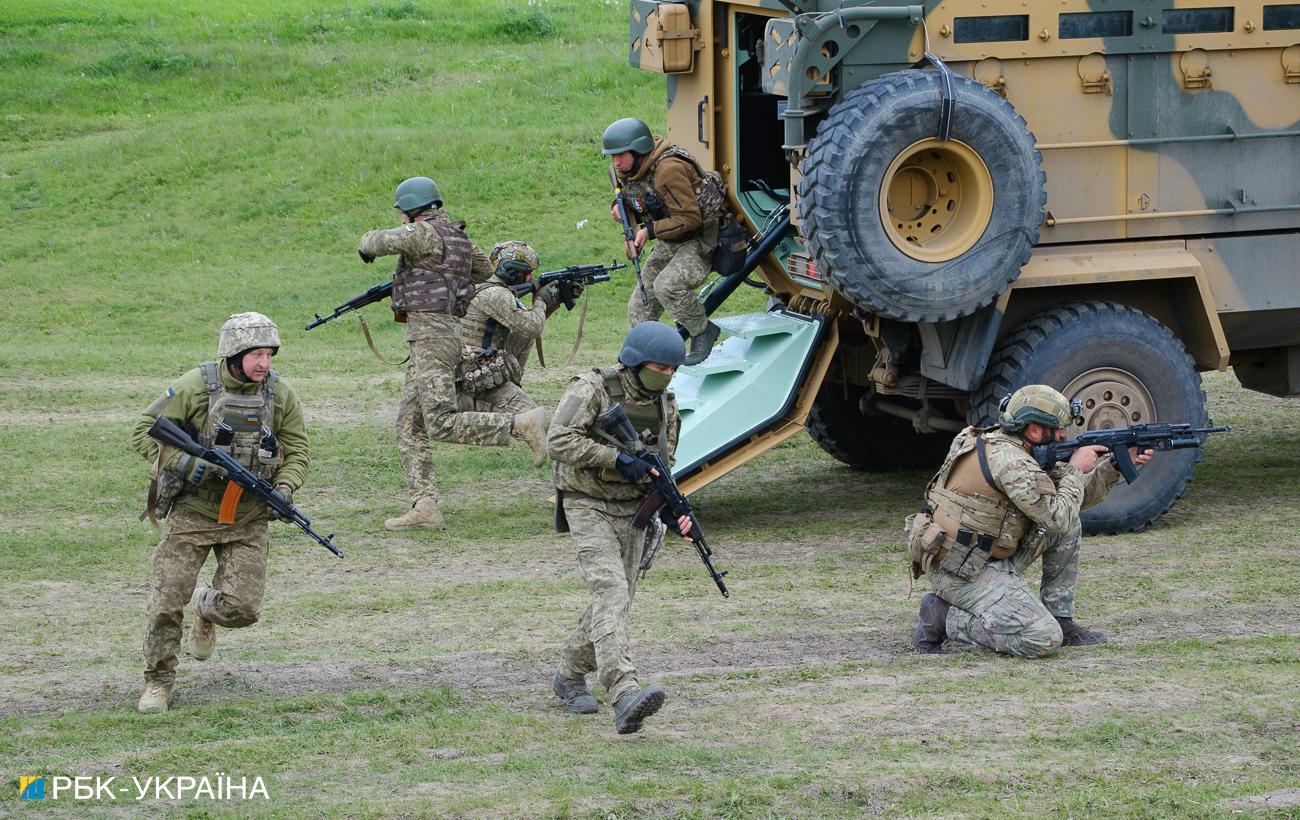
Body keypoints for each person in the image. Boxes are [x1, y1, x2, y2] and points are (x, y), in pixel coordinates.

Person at [131, 312, 309, 714]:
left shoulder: (280, 395)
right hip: (194, 512)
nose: (264, 363)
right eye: (255, 354)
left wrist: (283, 488)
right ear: (233, 353)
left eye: (269, 354)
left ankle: (204, 606)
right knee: (164, 603)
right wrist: (186, 465)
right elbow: (145, 429)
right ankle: (158, 681)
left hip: (248, 517)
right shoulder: (196, 386)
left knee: (243, 610)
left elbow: (297, 450)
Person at [358, 177, 550, 532]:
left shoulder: (421, 233)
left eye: (403, 214)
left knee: (440, 422)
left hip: (432, 337)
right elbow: (485, 272)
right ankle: (425, 505)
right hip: (439, 334)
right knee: (408, 424)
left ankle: (520, 425)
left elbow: (375, 242)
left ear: (413, 211)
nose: (402, 220)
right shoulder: (460, 239)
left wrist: (367, 247)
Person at [908, 385, 1154, 658]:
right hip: (963, 573)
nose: (1064, 435)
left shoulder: (1004, 443)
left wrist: (1113, 467)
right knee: (1043, 638)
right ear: (1034, 430)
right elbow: (1057, 516)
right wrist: (1074, 469)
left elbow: (1067, 506)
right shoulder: (1013, 464)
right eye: (1058, 428)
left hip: (980, 557)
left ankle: (1060, 616)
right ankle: (944, 616)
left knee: (1070, 525)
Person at [548, 321, 695, 734]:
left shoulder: (666, 404)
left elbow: (664, 462)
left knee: (615, 601)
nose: (665, 376)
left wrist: (670, 506)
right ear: (634, 361)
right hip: (588, 503)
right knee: (610, 591)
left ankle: (569, 674)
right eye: (658, 367)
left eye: (672, 370)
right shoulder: (592, 389)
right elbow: (557, 440)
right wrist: (614, 460)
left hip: (634, 512)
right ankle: (624, 692)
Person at [603, 117, 724, 366]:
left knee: (667, 286)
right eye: (612, 156)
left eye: (620, 155)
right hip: (670, 239)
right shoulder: (633, 169)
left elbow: (690, 217)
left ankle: (702, 331)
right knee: (640, 302)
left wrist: (649, 231)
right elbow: (639, 199)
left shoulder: (669, 170)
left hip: (698, 239)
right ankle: (643, 354)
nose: (616, 162)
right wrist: (621, 209)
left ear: (638, 150)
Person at [456, 241, 563, 414]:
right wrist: (541, 300)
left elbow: (526, 325)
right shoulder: (497, 295)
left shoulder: (490, 287)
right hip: (475, 374)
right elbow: (533, 326)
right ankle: (466, 405)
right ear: (511, 271)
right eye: (527, 273)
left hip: (480, 364)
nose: (531, 278)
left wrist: (555, 301)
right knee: (532, 417)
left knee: (524, 336)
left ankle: (508, 389)